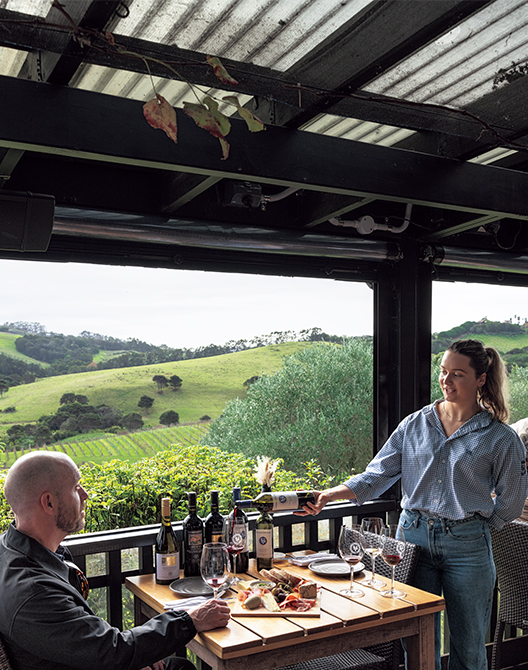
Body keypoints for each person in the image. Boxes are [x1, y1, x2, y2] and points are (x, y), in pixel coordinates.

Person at [298, 339, 528, 670]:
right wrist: (328, 495)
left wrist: (478, 528)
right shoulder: (414, 424)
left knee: (469, 646)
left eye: (458, 375)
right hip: (412, 541)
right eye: (443, 372)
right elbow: (376, 475)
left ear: (480, 379)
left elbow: (511, 500)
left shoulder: (500, 438)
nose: (446, 381)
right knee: (416, 643)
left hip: (468, 548)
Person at [0, 451, 231, 670]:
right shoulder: (34, 591)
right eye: (75, 488)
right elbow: (111, 652)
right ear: (48, 503)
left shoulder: (13, 551)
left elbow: (89, 640)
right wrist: (190, 620)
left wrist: (131, 658)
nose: (85, 495)